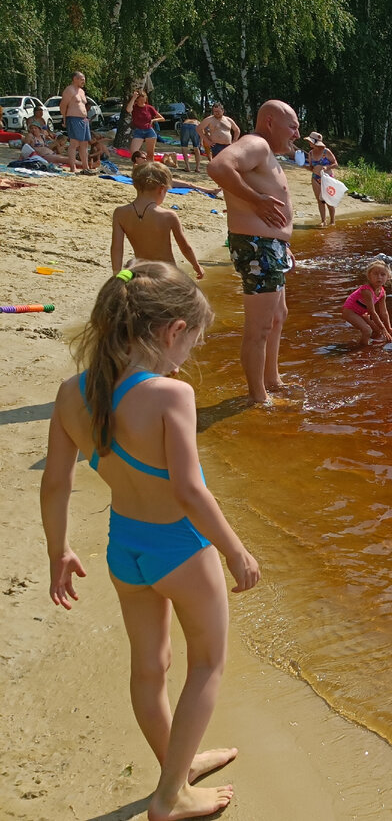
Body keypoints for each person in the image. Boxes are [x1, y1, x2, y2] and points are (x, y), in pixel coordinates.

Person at [39, 260, 260, 821]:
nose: (190, 355)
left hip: (124, 549)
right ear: (171, 332)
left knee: (149, 669)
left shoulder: (71, 392)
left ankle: (175, 768)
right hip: (180, 548)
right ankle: (170, 799)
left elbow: (55, 482)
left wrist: (59, 551)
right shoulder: (169, 395)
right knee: (207, 664)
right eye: (193, 342)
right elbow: (189, 491)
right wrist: (236, 551)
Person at [207, 99, 299, 404]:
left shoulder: (266, 152)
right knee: (258, 326)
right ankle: (257, 397)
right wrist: (257, 200)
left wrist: (283, 246)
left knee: (278, 316)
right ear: (270, 121)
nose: (297, 134)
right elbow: (218, 166)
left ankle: (271, 380)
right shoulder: (255, 143)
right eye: (293, 126)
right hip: (258, 246)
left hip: (271, 248)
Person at [111, 161, 205, 279]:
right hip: (166, 273)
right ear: (161, 189)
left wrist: (116, 274)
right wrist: (196, 266)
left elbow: (117, 248)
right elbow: (185, 247)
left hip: (141, 272)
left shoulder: (120, 213)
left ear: (135, 185)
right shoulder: (168, 215)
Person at [341, 259, 392, 346]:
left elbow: (384, 312)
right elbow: (372, 312)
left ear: (388, 277)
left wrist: (388, 328)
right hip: (350, 311)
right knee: (367, 330)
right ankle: (362, 349)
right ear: (369, 276)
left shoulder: (382, 292)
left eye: (383, 274)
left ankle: (373, 345)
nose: (379, 277)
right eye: (375, 274)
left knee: (378, 331)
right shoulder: (367, 291)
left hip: (362, 313)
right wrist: (384, 329)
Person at [131, 150, 221, 196]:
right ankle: (212, 191)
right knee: (190, 185)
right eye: (143, 158)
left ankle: (212, 190)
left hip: (161, 178)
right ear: (136, 158)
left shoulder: (142, 166)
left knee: (189, 184)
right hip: (160, 181)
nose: (145, 159)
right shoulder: (137, 167)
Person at [62, 71, 94, 173]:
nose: (83, 81)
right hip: (73, 118)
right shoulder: (69, 90)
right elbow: (63, 105)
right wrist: (64, 118)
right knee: (74, 143)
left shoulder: (81, 91)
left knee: (84, 144)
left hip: (83, 120)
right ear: (75, 79)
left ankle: (86, 167)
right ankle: (73, 167)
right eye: (81, 79)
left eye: (84, 79)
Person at [305, 132, 339, 227]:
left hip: (327, 179)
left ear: (315, 142)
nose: (309, 143)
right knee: (320, 200)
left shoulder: (326, 151)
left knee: (329, 200)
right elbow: (311, 168)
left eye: (310, 141)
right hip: (315, 178)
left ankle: (332, 221)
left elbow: (335, 164)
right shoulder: (310, 153)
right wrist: (304, 166)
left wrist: (326, 167)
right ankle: (323, 221)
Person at [127, 90, 165, 162]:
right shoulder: (134, 107)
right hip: (138, 131)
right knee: (134, 153)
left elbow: (162, 118)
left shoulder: (149, 108)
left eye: (143, 99)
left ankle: (150, 169)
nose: (142, 101)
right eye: (140, 99)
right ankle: (137, 168)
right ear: (137, 100)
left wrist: (153, 120)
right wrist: (134, 98)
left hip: (149, 130)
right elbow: (128, 110)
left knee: (150, 154)